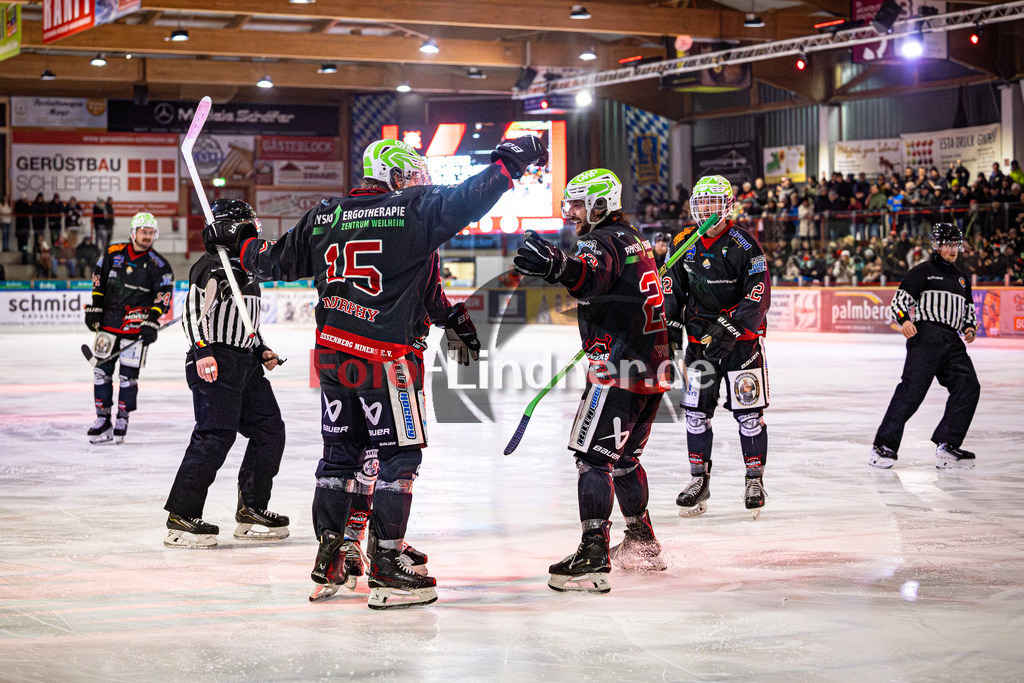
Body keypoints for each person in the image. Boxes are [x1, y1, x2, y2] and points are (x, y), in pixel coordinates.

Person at [203, 136, 546, 609]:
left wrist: (237, 241)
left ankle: (334, 554)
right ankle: (386, 564)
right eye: (412, 175)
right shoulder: (411, 210)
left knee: (340, 457)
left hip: (333, 359)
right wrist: (507, 165)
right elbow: (467, 199)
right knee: (398, 459)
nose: (419, 182)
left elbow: (273, 260)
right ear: (394, 175)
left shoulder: (325, 214)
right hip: (388, 360)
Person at [513, 168, 671, 594]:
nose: (571, 213)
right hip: (653, 365)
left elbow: (591, 276)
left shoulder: (600, 239)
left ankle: (593, 554)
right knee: (625, 460)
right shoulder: (633, 237)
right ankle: (641, 542)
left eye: (579, 205)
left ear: (601, 204)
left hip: (618, 368)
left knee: (593, 460)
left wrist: (557, 264)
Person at [163, 200, 288, 549]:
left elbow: (247, 322)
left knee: (270, 430)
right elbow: (192, 314)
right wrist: (202, 351)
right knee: (215, 436)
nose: (254, 230)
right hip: (215, 360)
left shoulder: (246, 270)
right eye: (248, 223)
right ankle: (182, 515)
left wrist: (261, 348)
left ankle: (252, 508)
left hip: (246, 363)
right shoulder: (210, 266)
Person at [664, 174, 772, 520]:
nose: (707, 209)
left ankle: (754, 481)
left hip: (742, 344)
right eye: (702, 202)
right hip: (700, 345)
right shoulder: (684, 242)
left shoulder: (744, 243)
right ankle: (699, 480)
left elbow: (759, 293)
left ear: (727, 206)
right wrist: (670, 331)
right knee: (696, 415)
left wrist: (731, 326)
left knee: (749, 416)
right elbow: (671, 289)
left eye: (713, 202)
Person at [870, 223, 980, 470]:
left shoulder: (962, 279)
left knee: (968, 386)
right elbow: (899, 302)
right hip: (926, 337)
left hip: (952, 341)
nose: (953, 250)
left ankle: (948, 445)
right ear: (937, 246)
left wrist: (969, 328)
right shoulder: (922, 272)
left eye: (956, 245)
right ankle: (883, 446)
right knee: (911, 393)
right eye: (948, 245)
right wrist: (905, 321)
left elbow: (968, 313)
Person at [84, 212, 173, 444]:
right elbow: (98, 280)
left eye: (151, 232)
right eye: (143, 232)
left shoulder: (159, 265)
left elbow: (163, 296)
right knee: (100, 373)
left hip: (135, 329)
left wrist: (152, 321)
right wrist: (95, 307)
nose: (147, 236)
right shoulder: (113, 253)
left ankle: (122, 418)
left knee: (128, 378)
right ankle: (102, 419)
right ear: (133, 233)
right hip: (108, 326)